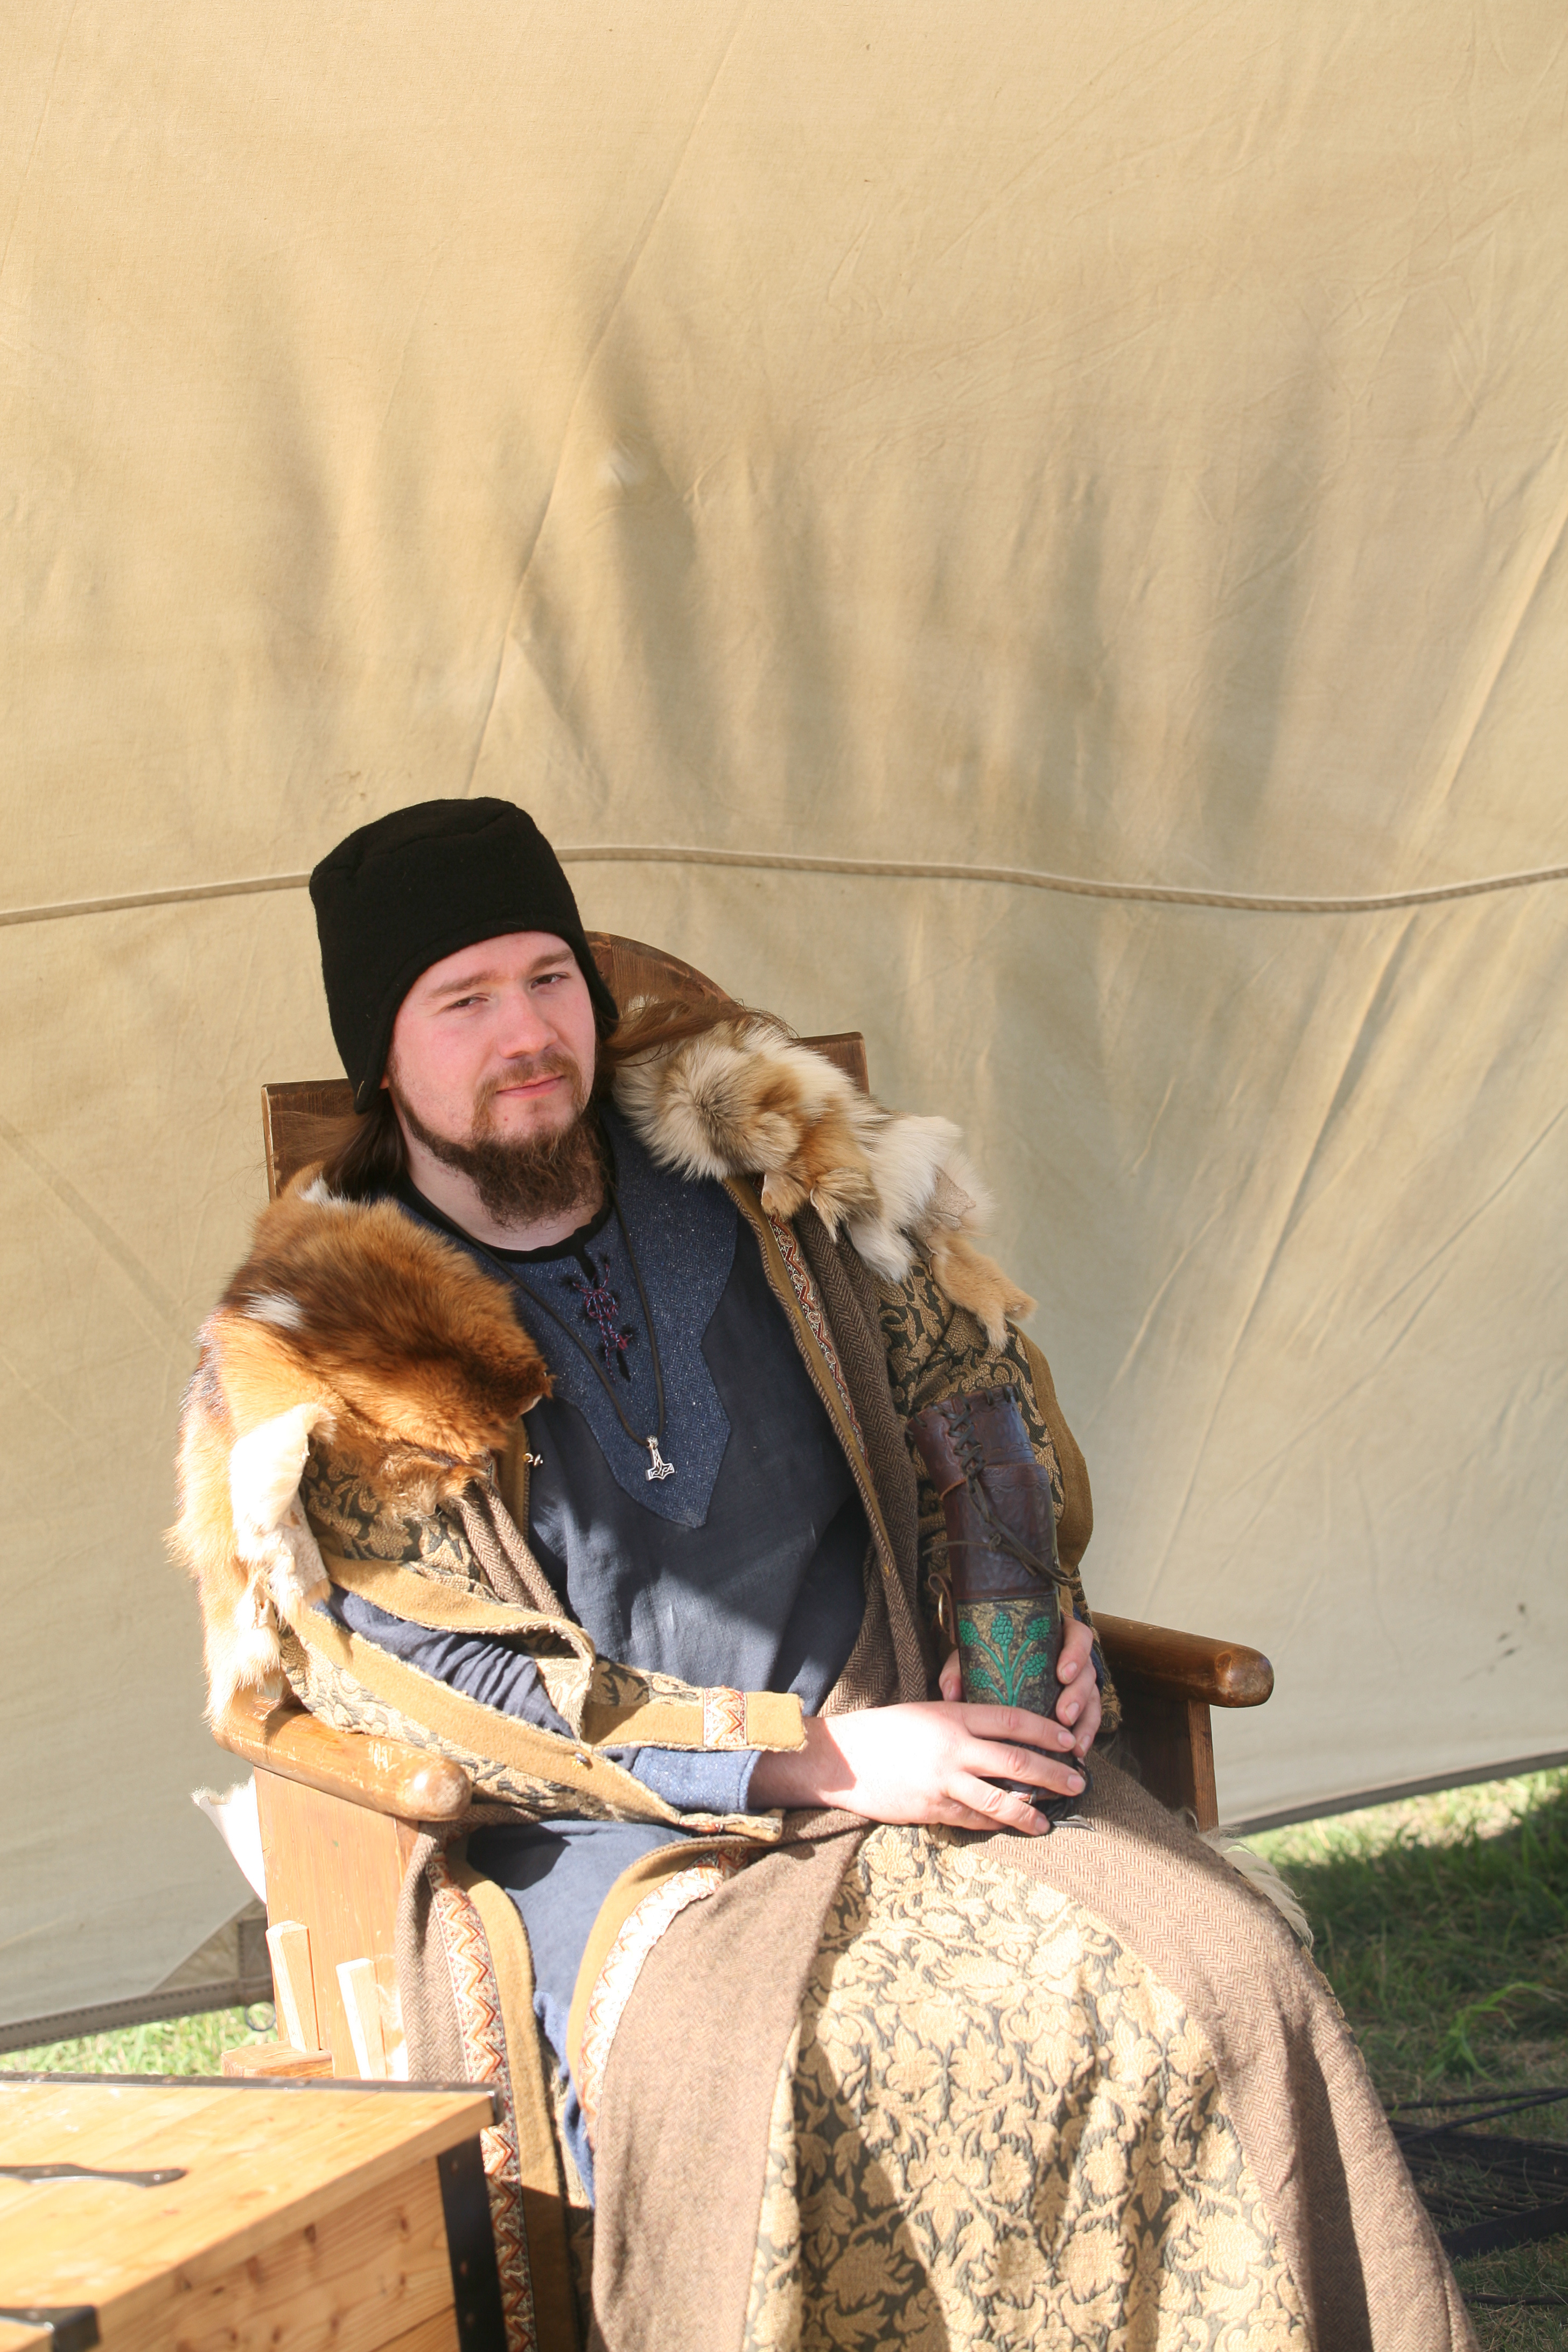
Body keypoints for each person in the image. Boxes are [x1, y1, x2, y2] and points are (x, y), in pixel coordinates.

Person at [175, 798, 1473, 2352]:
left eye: (549, 979)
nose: (525, 1034)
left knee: (1230, 1974)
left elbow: (973, 1411)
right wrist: (817, 1763)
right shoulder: (332, 1333)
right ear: (383, 1061)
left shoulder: (777, 1189)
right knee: (818, 2075)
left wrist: (1026, 1623)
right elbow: (439, 1674)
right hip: (634, 1840)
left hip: (930, 1729)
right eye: (462, 1001)